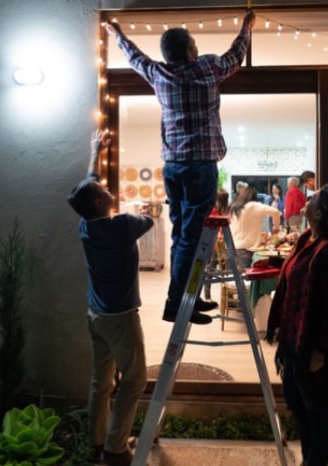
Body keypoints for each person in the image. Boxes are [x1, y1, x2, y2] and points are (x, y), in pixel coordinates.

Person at [105, 10, 257, 326]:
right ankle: (177, 304)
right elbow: (236, 55)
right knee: (190, 237)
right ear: (191, 50)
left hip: (173, 167)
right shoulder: (208, 67)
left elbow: (134, 57)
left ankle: (187, 298)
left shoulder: (160, 73)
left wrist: (116, 31)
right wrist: (246, 26)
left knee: (182, 237)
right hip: (200, 166)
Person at [67, 130, 154, 466]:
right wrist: (142, 209)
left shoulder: (86, 226)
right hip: (121, 317)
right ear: (100, 202)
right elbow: (147, 219)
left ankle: (96, 441)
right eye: (104, 190)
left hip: (96, 314)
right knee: (135, 380)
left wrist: (95, 150)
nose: (107, 187)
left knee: (100, 381)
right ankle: (117, 447)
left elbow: (90, 182)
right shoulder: (124, 225)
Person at [265, 185, 328, 466]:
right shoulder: (307, 239)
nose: (305, 201)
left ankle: (315, 461)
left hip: (313, 348)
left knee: (317, 410)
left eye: (312, 199)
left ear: (318, 213)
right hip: (295, 340)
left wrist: (319, 352)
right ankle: (309, 459)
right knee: (298, 404)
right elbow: (295, 271)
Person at [229, 186, 281, 269]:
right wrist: (276, 227)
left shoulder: (234, 206)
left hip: (231, 245)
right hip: (247, 247)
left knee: (239, 275)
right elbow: (276, 212)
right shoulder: (254, 206)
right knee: (247, 275)